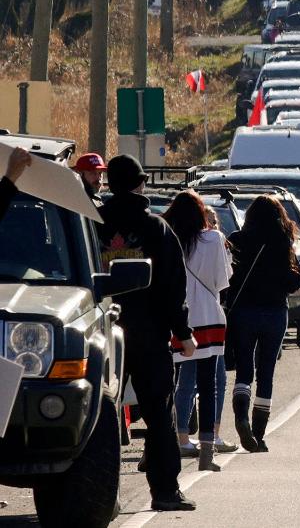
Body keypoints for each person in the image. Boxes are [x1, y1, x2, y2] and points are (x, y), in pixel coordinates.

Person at [98, 155, 197, 512]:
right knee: (158, 414)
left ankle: (103, 497)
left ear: (109, 183)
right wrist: (183, 332)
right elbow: (174, 286)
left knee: (102, 419)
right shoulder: (156, 229)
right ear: (141, 184)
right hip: (149, 334)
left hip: (102, 333)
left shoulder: (92, 224)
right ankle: (165, 491)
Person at [225, 196, 300, 453]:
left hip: (243, 312)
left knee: (244, 369)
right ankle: (258, 434)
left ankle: (240, 418)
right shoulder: (282, 242)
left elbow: (227, 278)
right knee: (266, 372)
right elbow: (295, 282)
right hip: (274, 312)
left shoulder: (236, 240)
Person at [165, 192, 232, 470]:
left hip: (174, 317)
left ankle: (178, 437)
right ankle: (207, 452)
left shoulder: (167, 238)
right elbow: (222, 281)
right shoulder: (214, 239)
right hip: (208, 315)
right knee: (208, 385)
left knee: (175, 382)